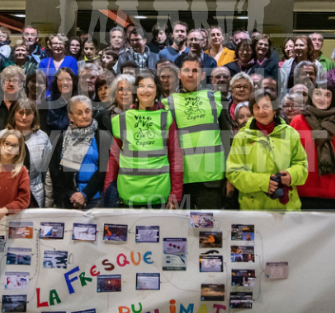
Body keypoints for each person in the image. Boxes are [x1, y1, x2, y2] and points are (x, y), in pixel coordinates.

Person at [105, 70, 182, 208]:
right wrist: (108, 187)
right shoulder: (122, 119)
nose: (145, 90)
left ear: (157, 90)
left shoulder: (166, 117)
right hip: (127, 194)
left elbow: (175, 157)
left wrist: (175, 194)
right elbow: (114, 158)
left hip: (158, 195)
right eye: (141, 86)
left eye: (150, 86)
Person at [165, 54, 233, 209]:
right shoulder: (168, 103)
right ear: (179, 74)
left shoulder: (215, 98)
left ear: (202, 75)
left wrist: (231, 177)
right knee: (180, 231)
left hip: (212, 180)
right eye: (187, 70)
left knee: (208, 232)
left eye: (195, 70)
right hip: (180, 181)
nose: (190, 74)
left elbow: (228, 140)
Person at [226, 89, 308, 210]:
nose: (261, 111)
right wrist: (263, 182)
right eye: (256, 107)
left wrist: (291, 175)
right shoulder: (241, 137)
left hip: (287, 208)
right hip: (253, 209)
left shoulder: (291, 134)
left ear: (275, 110)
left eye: (265, 107)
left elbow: (302, 165)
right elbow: (234, 172)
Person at [290, 84, 335, 211]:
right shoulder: (297, 122)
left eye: (327, 95)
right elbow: (289, 159)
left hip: (331, 197)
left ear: (332, 99)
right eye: (318, 93)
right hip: (300, 194)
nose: (322, 98)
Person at [0, 98, 52, 208]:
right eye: (20, 112)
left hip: (34, 196)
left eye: (28, 113)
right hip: (4, 196)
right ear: (13, 114)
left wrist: (48, 202)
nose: (24, 117)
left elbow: (48, 174)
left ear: (34, 116)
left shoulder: (43, 138)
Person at [49, 96, 110, 209]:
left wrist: (84, 194)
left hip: (95, 199)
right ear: (70, 116)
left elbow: (104, 170)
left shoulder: (102, 137)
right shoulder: (61, 139)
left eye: (87, 111)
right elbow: (55, 171)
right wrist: (72, 194)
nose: (84, 116)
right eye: (79, 113)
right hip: (68, 200)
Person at [0, 66, 27, 133]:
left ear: (21, 85)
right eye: (7, 80)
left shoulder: (28, 108)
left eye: (15, 81)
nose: (10, 84)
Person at [39, 33, 78, 99]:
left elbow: (74, 82)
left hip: (67, 97)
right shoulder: (44, 62)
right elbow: (41, 83)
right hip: (48, 97)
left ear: (65, 46)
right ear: (50, 46)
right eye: (55, 43)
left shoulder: (72, 61)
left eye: (61, 43)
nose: (58, 46)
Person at [45, 67, 79, 133]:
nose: (65, 83)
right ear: (56, 83)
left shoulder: (80, 103)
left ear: (73, 82)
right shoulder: (47, 103)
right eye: (61, 79)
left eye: (68, 79)